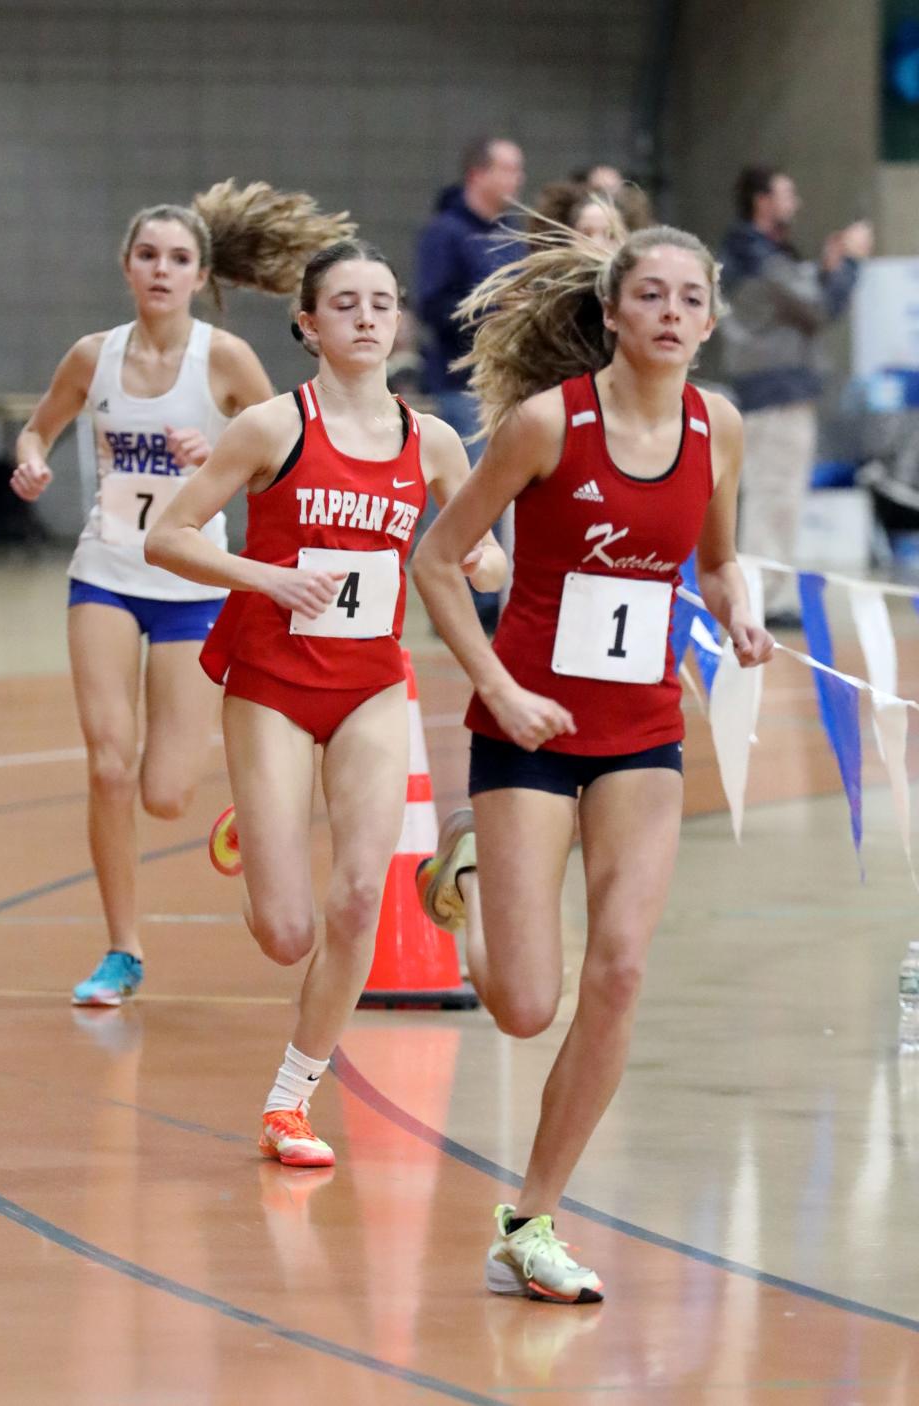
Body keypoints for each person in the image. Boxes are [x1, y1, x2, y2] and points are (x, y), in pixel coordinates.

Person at [411, 223, 774, 1302]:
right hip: (527, 730)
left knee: (619, 971)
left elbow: (714, 559)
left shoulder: (722, 429)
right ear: (611, 316)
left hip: (643, 733)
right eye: (650, 294)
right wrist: (502, 688)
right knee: (525, 1003)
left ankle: (532, 1217)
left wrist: (739, 607)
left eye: (689, 297)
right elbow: (436, 560)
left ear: (709, 321)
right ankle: (468, 868)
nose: (670, 311)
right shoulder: (544, 426)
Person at [144, 238, 507, 1168]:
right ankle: (253, 818)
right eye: (344, 304)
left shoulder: (430, 441)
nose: (367, 317)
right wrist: (263, 575)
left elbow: (485, 555)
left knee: (355, 901)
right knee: (286, 932)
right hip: (269, 683)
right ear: (308, 324)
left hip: (371, 684)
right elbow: (169, 537)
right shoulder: (270, 427)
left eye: (382, 302)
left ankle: (290, 1101)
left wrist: (481, 555)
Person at [12, 181, 353, 1006]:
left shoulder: (224, 360)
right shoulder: (93, 357)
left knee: (165, 793)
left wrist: (217, 453)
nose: (161, 270)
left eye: (178, 258)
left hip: (192, 583)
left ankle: (241, 816)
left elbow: (289, 452)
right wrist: (31, 459)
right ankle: (122, 949)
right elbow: (40, 423)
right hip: (105, 572)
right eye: (148, 256)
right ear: (126, 267)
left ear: (202, 276)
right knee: (106, 764)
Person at [717, 165, 873, 628]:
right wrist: (852, 264)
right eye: (787, 194)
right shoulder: (758, 254)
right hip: (775, 393)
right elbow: (820, 308)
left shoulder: (762, 253)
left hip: (773, 391)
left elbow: (810, 303)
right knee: (772, 497)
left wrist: (829, 271)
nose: (796, 203)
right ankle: (763, 602)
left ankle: (767, 597)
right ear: (762, 201)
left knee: (775, 497)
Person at [415, 135, 526, 629]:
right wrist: (495, 315)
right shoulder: (446, 233)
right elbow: (434, 305)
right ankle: (457, 602)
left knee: (503, 491)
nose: (517, 180)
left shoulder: (511, 233)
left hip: (508, 383)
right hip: (462, 382)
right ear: (478, 175)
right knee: (467, 492)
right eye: (509, 169)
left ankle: (490, 595)